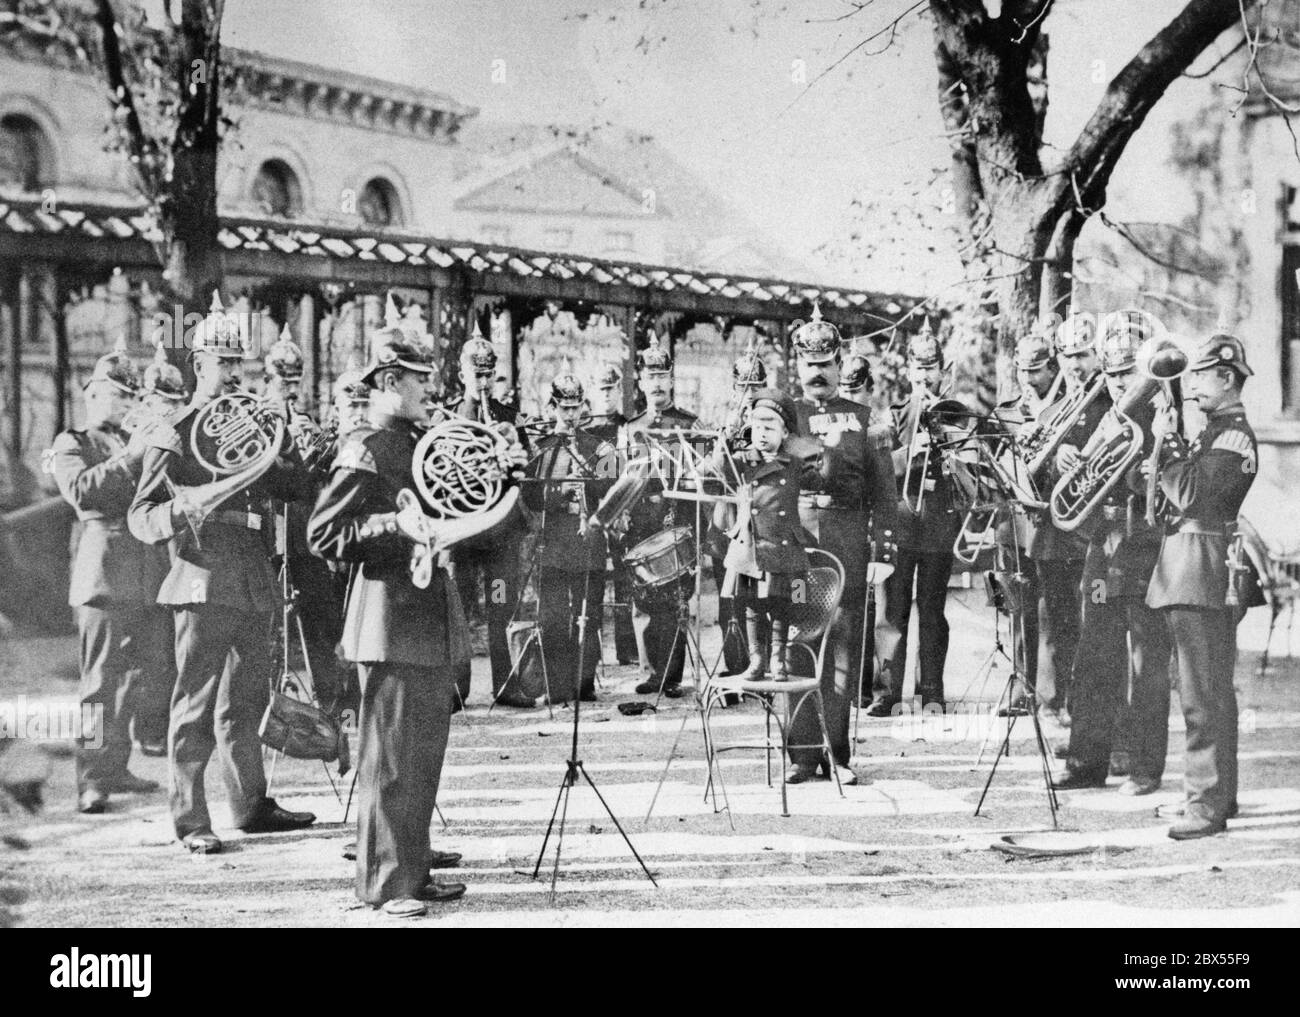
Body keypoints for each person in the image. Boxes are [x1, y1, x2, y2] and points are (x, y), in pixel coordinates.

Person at [308, 332, 522, 916]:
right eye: (418, 378)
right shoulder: (368, 447)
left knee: (423, 755)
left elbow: (472, 520)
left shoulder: (418, 442)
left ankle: (413, 869)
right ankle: (384, 885)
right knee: (390, 758)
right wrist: (394, 526)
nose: (430, 387)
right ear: (385, 383)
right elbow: (324, 535)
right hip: (387, 619)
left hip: (426, 616)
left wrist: (506, 481)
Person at [128, 294, 317, 854]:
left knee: (247, 701)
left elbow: (295, 493)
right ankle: (190, 820)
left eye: (239, 363)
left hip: (254, 575)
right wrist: (184, 508)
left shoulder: (258, 422)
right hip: (201, 575)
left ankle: (250, 805)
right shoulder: (177, 428)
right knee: (194, 703)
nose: (234, 372)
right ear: (199, 366)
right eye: (222, 363)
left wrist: (292, 450)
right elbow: (141, 516)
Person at [1052, 310, 1172, 797]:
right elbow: (1083, 469)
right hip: (1105, 547)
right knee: (1094, 652)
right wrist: (1074, 461)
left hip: (1147, 547)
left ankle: (1145, 766)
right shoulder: (1106, 413)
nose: (1121, 382)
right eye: (1114, 373)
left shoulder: (1168, 414)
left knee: (1147, 660)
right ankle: (1087, 760)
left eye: (1128, 372)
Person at [47, 338, 169, 812]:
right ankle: (91, 779)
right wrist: (133, 456)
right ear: (93, 395)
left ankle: (117, 767)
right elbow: (83, 494)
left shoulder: (129, 441)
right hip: (102, 575)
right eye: (118, 395)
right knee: (99, 682)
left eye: (131, 396)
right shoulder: (71, 443)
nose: (127, 404)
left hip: (144, 572)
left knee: (139, 679)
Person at [1146, 333, 1257, 839]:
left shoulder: (1231, 437)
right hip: (1190, 568)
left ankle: (1206, 806)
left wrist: (1167, 442)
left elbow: (1190, 493)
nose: (1190, 385)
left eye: (1200, 375)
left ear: (1227, 377)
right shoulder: (1213, 432)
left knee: (1201, 696)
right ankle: (1216, 796)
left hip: (1202, 569)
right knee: (1209, 692)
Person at [789, 304, 898, 784]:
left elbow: (886, 496)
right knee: (797, 644)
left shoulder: (866, 420)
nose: (817, 373)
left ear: (838, 366)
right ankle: (800, 755)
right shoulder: (782, 418)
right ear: (798, 367)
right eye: (808, 365)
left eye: (825, 364)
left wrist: (883, 553)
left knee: (841, 650)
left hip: (848, 539)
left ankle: (837, 755)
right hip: (794, 544)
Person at [868, 319, 959, 716]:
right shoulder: (895, 415)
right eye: (918, 368)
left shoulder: (956, 414)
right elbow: (879, 468)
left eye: (931, 367)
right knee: (893, 610)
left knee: (934, 610)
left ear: (942, 370)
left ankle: (931, 691)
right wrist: (911, 453)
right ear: (909, 371)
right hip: (903, 521)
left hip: (939, 522)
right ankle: (887, 692)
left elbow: (968, 466)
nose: (924, 375)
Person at [263, 326, 349, 715]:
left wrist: (320, 449)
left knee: (321, 619)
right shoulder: (258, 418)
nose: (292, 390)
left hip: (305, 535)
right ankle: (268, 704)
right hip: (270, 536)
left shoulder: (306, 419)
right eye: (285, 382)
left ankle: (330, 702)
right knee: (268, 626)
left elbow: (320, 482)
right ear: (269, 380)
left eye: (296, 382)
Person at [523, 371, 614, 704]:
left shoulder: (598, 445)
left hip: (589, 543)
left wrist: (595, 482)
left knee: (588, 617)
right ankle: (557, 686)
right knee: (553, 619)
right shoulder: (542, 447)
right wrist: (560, 491)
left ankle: (584, 684)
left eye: (576, 408)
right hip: (554, 546)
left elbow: (612, 488)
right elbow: (531, 499)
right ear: (553, 407)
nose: (571, 415)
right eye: (565, 409)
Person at [449, 331, 528, 707]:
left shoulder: (509, 417)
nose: (483, 383)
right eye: (476, 375)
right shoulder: (446, 417)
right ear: (461, 374)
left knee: (500, 607)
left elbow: (522, 474)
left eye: (489, 376)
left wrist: (511, 456)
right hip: (463, 534)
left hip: (498, 535)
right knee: (459, 610)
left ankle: (506, 684)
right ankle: (455, 687)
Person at [623, 333, 702, 698]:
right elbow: (619, 476)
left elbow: (703, 474)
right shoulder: (631, 428)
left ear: (671, 379)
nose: (656, 384)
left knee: (676, 602)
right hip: (641, 522)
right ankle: (651, 671)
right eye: (649, 377)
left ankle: (672, 676)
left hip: (677, 519)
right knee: (645, 599)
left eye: (661, 377)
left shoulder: (689, 425)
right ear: (640, 381)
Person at [718, 389, 811, 682]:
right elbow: (716, 471)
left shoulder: (795, 462)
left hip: (788, 546)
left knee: (789, 603)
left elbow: (823, 478)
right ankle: (757, 660)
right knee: (751, 606)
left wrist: (811, 447)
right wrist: (725, 440)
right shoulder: (742, 461)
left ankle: (779, 660)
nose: (761, 434)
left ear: (785, 432)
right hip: (749, 547)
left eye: (769, 427)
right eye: (757, 426)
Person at [703, 338, 769, 677]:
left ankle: (761, 664)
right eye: (743, 386)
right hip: (726, 524)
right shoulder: (721, 422)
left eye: (755, 386)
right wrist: (726, 437)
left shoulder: (772, 423)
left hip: (760, 523)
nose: (749, 393)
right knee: (728, 599)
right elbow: (711, 470)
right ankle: (735, 664)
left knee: (759, 598)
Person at [586, 362, 638, 666]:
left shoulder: (627, 427)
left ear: (620, 390)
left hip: (619, 510)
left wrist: (622, 509)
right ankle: (591, 655)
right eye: (601, 389)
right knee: (591, 582)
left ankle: (626, 647)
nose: (606, 395)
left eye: (611, 389)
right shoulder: (585, 429)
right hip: (592, 511)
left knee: (624, 580)